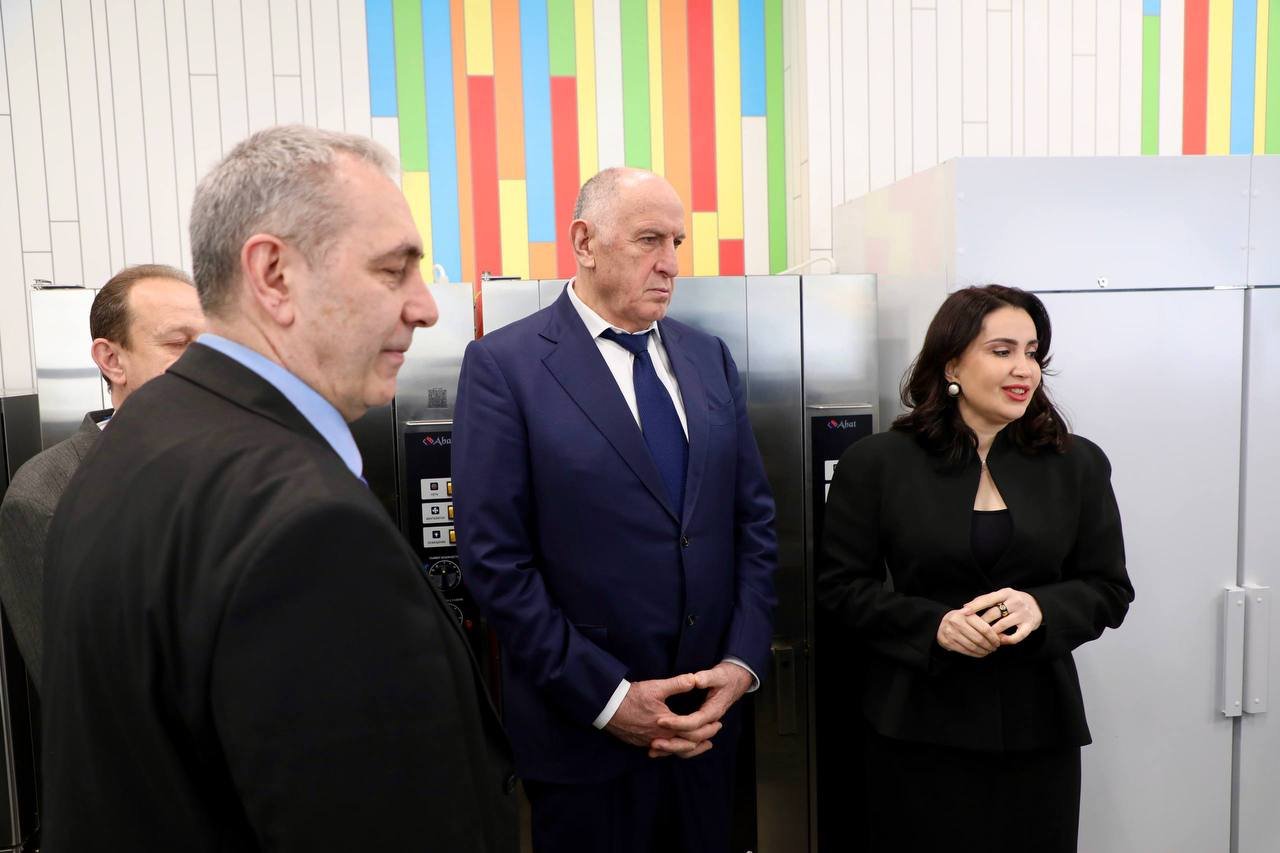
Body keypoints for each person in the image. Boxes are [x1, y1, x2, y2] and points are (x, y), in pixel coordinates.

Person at [40, 126, 517, 852]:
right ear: (273, 275)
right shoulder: (310, 529)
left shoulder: (132, 442)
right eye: (393, 271)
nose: (426, 307)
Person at [452, 167, 777, 852]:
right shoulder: (505, 366)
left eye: (677, 243)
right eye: (649, 240)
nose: (671, 264)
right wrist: (609, 699)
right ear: (585, 241)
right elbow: (495, 563)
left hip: (706, 731)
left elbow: (753, 523)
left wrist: (741, 663)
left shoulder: (708, 358)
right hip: (585, 739)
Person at [817, 284, 1134, 851]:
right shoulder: (877, 463)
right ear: (952, 364)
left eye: (1032, 352)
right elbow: (840, 589)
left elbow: (1109, 589)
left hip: (1040, 727)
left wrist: (1042, 608)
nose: (1024, 369)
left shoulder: (1077, 462)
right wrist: (932, 625)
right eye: (1002, 350)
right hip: (916, 725)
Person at [0, 264, 203, 690]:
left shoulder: (234, 468)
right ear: (112, 360)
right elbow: (77, 687)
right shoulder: (46, 495)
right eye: (178, 343)